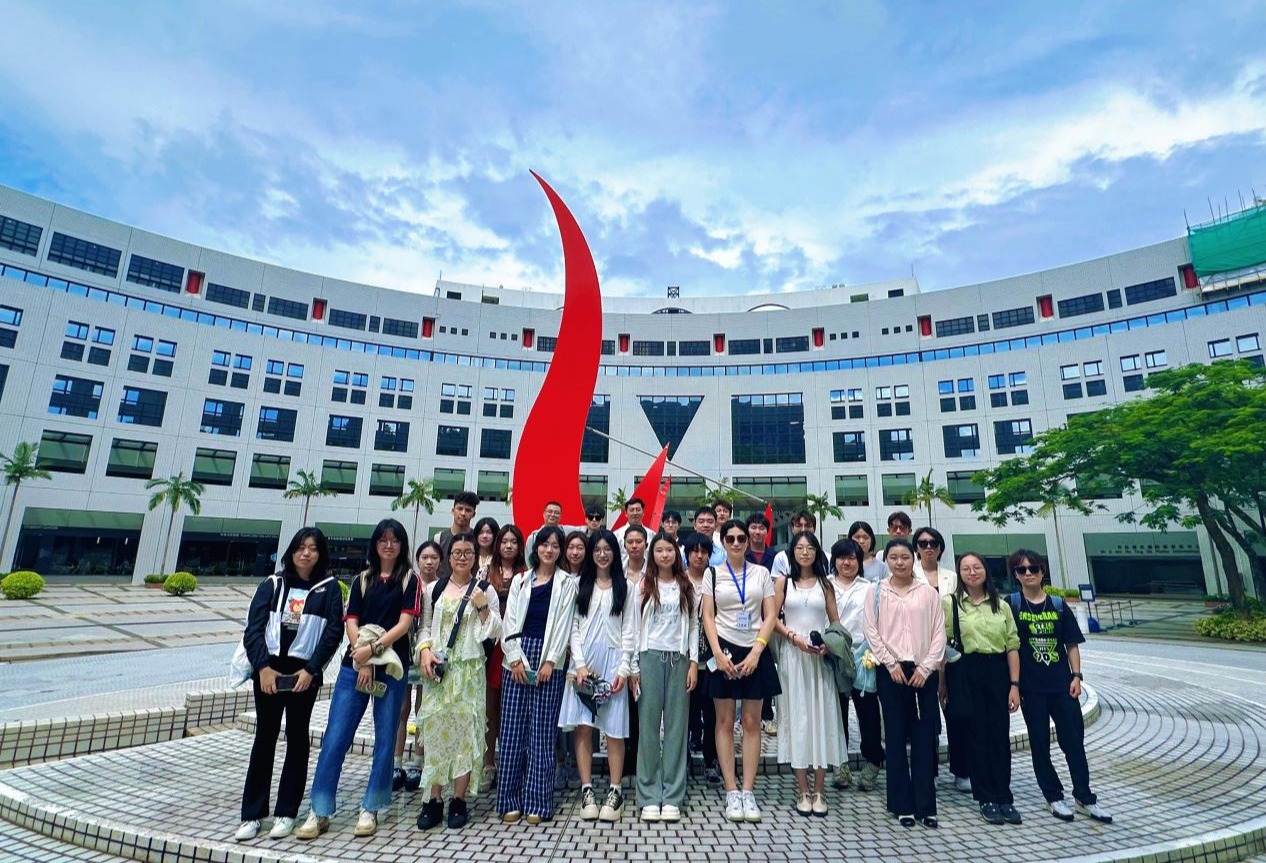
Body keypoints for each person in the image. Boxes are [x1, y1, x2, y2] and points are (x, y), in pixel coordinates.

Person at [297, 519, 420, 840]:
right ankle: (319, 809)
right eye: (383, 540)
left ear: (402, 545)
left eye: (395, 540)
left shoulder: (410, 580)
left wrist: (372, 652)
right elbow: (351, 620)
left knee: (385, 738)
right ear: (375, 544)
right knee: (336, 736)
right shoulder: (361, 580)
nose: (389, 545)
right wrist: (361, 656)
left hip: (391, 667)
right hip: (355, 666)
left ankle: (371, 806)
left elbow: (404, 624)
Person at [235, 528, 344, 841]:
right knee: (265, 737)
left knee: (297, 738)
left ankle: (286, 812)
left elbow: (333, 633)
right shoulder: (272, 584)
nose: (306, 553)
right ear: (291, 551)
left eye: (313, 548)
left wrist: (311, 670)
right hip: (269, 671)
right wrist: (263, 668)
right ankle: (252, 814)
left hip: (303, 675)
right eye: (300, 547)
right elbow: (253, 629)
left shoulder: (328, 589)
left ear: (321, 554)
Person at [1007, 549, 1112, 824]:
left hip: (1062, 685)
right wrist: (1014, 685)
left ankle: (1084, 797)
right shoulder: (1012, 605)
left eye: (1033, 568)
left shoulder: (1057, 605)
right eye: (1021, 569)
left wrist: (1076, 676)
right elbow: (1010, 647)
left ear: (1043, 571)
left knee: (1074, 742)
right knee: (1039, 742)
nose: (1028, 573)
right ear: (1015, 575)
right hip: (1031, 688)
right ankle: (1053, 795)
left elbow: (1071, 644)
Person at [414, 534, 503, 830]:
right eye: (456, 552)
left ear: (475, 557)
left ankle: (459, 799)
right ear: (448, 557)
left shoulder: (486, 590)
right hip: (439, 671)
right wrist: (424, 651)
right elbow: (424, 626)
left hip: (469, 671)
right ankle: (434, 798)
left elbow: (495, 631)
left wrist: (482, 607)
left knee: (466, 733)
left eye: (467, 552)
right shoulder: (435, 589)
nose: (462, 557)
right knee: (436, 731)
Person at [497, 526, 578, 824]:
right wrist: (514, 658)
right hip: (517, 657)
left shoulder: (567, 583)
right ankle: (509, 799)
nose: (549, 550)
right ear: (536, 547)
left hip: (548, 661)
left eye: (555, 545)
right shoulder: (521, 580)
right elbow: (509, 621)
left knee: (542, 734)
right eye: (544, 544)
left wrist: (552, 661)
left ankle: (537, 802)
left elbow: (564, 625)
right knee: (512, 731)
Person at [702, 519, 780, 823]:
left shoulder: (761, 573)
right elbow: (708, 616)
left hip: (754, 649)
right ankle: (731, 790)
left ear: (748, 541)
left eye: (741, 538)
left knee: (751, 722)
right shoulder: (712, 573)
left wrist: (757, 651)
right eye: (730, 538)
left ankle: (748, 790)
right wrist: (717, 654)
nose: (736, 543)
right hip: (723, 650)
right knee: (723, 722)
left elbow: (770, 615)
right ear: (723, 542)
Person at [863, 538, 944, 830]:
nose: (899, 562)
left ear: (914, 559)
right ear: (887, 561)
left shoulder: (928, 593)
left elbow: (939, 633)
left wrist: (926, 667)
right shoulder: (876, 591)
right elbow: (871, 631)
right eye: (894, 557)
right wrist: (890, 663)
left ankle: (926, 806)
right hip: (892, 672)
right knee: (895, 738)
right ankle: (901, 805)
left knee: (924, 739)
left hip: (924, 672)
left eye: (905, 557)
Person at [559, 530, 636, 822]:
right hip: (584, 665)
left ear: (615, 552)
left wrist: (624, 668)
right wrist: (579, 665)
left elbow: (630, 629)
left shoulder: (626, 587)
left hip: (614, 663)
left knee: (614, 729)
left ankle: (615, 790)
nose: (602, 554)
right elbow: (573, 627)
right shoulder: (579, 584)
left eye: (607, 549)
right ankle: (587, 789)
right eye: (597, 549)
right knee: (584, 726)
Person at [941, 552, 1022, 826]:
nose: (972, 572)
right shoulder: (950, 603)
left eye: (977, 567)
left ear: (986, 570)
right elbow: (943, 646)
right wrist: (943, 685)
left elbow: (1012, 645)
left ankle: (1004, 796)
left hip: (998, 672)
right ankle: (985, 797)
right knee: (975, 735)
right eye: (966, 568)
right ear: (959, 573)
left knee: (999, 735)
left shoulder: (1002, 605)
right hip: (966, 672)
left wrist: (1014, 685)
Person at [773, 531, 845, 817]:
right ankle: (802, 790)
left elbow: (835, 622)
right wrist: (793, 638)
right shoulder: (783, 582)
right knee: (797, 719)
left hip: (819, 660)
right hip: (793, 658)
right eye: (800, 547)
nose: (805, 552)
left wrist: (827, 645)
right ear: (792, 552)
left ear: (817, 552)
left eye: (810, 548)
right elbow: (772, 619)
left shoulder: (826, 585)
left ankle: (820, 790)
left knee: (821, 719)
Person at [631, 531, 699, 822]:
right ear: (652, 554)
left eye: (669, 550)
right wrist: (634, 667)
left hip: (679, 659)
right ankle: (648, 794)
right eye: (659, 550)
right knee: (648, 729)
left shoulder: (686, 585)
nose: (664, 555)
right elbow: (633, 626)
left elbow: (694, 625)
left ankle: (672, 795)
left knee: (676, 728)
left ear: (676, 553)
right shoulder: (643, 585)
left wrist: (693, 662)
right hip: (649, 658)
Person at [829, 538, 883, 792]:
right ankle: (840, 764)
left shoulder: (870, 588)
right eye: (842, 557)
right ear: (834, 561)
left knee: (868, 712)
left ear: (859, 562)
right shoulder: (825, 585)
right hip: (833, 654)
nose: (847, 562)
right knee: (836, 712)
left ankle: (873, 762)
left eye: (852, 558)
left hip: (863, 655)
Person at [393, 540, 443, 792]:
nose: (429, 562)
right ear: (417, 560)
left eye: (434, 557)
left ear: (441, 561)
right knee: (401, 709)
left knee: (423, 709)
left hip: (428, 655)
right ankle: (396, 763)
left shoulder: (442, 587)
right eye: (425, 557)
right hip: (402, 653)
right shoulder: (406, 583)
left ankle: (417, 763)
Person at [483, 524, 525, 783]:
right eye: (504, 541)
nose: (509, 546)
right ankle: (488, 763)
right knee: (490, 709)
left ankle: (512, 764)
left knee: (513, 710)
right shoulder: (486, 572)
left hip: (516, 647)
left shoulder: (526, 574)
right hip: (490, 648)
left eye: (514, 542)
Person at [683, 533, 722, 786]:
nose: (699, 556)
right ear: (687, 554)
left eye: (704, 551)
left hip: (711, 658)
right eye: (694, 551)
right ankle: (684, 760)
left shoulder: (716, 581)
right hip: (684, 658)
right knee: (685, 713)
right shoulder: (679, 580)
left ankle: (711, 761)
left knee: (712, 713)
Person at [434, 491, 479, 579]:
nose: (463, 513)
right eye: (460, 508)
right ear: (453, 511)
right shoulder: (439, 538)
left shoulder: (478, 539)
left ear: (473, 514)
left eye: (468, 510)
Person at [913, 526, 957, 597]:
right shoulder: (910, 575)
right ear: (916, 548)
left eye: (934, 543)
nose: (929, 546)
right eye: (923, 543)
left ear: (940, 548)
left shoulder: (952, 576)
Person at [770, 511, 816, 579]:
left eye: (808, 526)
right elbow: (776, 583)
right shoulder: (782, 558)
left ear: (814, 529)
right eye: (799, 526)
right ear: (792, 529)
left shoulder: (827, 558)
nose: (803, 530)